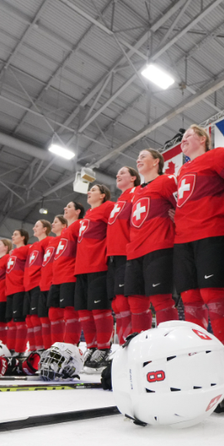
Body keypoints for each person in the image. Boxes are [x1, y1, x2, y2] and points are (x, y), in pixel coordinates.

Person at [174, 125, 224, 347]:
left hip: (211, 233)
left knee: (213, 294)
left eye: (188, 135)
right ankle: (197, 349)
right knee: (189, 297)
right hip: (182, 239)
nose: (183, 140)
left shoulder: (218, 155)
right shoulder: (182, 171)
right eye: (182, 137)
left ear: (202, 139)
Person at [126, 149, 179, 333]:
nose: (138, 159)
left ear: (156, 161)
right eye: (137, 156)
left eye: (143, 156)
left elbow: (184, 205)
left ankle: (170, 345)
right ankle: (141, 346)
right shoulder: (136, 192)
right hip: (134, 251)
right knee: (136, 302)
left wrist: (178, 218)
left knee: (160, 299)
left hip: (158, 247)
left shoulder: (167, 181)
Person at [75, 184, 115, 370]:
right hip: (81, 267)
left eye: (93, 189)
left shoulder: (108, 207)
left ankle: (104, 347)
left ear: (103, 195)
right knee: (84, 310)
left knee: (99, 309)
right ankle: (91, 346)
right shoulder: (88, 215)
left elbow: (116, 228)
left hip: (98, 264)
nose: (89, 192)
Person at [106, 166, 144, 344]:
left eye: (122, 173)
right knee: (118, 305)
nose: (117, 175)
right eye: (117, 172)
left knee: (129, 303)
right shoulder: (120, 199)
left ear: (133, 178)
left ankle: (137, 342)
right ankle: (121, 346)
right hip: (114, 255)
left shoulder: (137, 192)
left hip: (127, 253)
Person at [52, 202, 86, 345]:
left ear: (78, 211)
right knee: (54, 314)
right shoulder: (65, 231)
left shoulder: (79, 225)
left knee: (70, 312)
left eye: (69, 207)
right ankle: (56, 346)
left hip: (69, 274)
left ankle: (70, 346)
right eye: (65, 206)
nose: (65, 208)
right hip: (57, 277)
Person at [24, 220, 52, 352]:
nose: (34, 228)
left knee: (38, 318)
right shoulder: (33, 246)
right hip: (28, 285)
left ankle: (42, 348)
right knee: (30, 319)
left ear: (45, 229)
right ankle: (33, 348)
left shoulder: (48, 241)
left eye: (37, 226)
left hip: (38, 284)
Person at [40, 216, 67, 347]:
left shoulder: (61, 239)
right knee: (49, 317)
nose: (53, 224)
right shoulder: (52, 241)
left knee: (59, 314)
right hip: (46, 283)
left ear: (64, 225)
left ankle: (62, 345)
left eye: (56, 222)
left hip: (57, 280)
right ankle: (49, 347)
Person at [6, 229, 30, 356]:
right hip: (9, 290)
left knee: (20, 322)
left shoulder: (27, 249)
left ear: (23, 237)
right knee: (11, 322)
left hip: (19, 288)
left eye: (15, 234)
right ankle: (10, 349)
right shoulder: (13, 252)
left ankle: (20, 350)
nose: (12, 236)